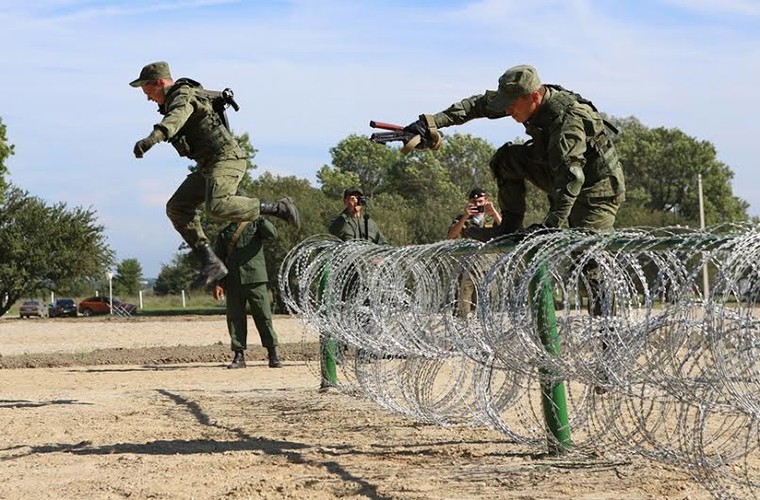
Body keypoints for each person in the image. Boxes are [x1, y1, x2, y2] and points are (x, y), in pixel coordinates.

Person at [404, 64, 625, 241]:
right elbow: (476, 106)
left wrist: (548, 228)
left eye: (511, 105)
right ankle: (507, 228)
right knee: (506, 160)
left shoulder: (568, 119)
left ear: (535, 97)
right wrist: (431, 124)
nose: (507, 110)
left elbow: (573, 176)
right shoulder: (522, 98)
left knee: (588, 258)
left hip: (595, 189)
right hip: (559, 171)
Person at [130, 61, 300, 289]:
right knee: (177, 207)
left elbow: (177, 117)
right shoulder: (176, 98)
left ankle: (278, 207)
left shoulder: (182, 95)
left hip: (227, 158)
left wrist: (153, 138)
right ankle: (211, 262)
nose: (148, 98)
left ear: (160, 83)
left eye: (148, 92)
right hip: (208, 165)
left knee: (217, 205)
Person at [212, 217, 282, 369]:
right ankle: (239, 355)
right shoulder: (225, 233)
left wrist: (259, 215)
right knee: (235, 318)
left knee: (263, 316)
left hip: (255, 278)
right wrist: (219, 283)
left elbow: (272, 233)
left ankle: (272, 354)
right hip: (233, 280)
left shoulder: (256, 225)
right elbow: (219, 259)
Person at [448, 188, 502, 318]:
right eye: (474, 201)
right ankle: (464, 328)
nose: (477, 205)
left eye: (480, 201)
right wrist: (465, 217)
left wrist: (494, 212)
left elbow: (506, 230)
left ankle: (485, 328)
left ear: (486, 201)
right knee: (464, 301)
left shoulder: (492, 218)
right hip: (469, 265)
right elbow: (451, 235)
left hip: (488, 265)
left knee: (487, 300)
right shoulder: (462, 219)